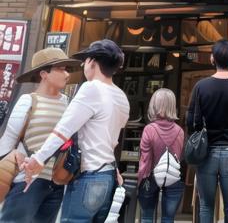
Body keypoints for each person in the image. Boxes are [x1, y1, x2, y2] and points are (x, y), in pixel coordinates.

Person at [22, 39, 130, 223]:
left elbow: (63, 129)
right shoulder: (121, 97)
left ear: (93, 62)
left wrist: (39, 158)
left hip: (89, 176)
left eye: (85, 60)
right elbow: (111, 140)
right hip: (109, 176)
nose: (83, 64)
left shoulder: (91, 88)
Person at [0, 47, 79, 223]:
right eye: (61, 69)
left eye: (67, 69)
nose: (67, 74)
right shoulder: (28, 101)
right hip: (26, 182)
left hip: (56, 183)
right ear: (44, 74)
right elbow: (8, 141)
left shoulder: (68, 103)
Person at [186, 39, 228, 223]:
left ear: (212, 59)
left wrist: (198, 138)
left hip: (206, 153)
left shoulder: (201, 87)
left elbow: (192, 120)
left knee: (206, 206)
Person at [137, 88, 184, 223]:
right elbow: (179, 156)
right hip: (173, 177)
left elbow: (145, 160)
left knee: (146, 216)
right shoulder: (180, 131)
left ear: (154, 105)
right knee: (168, 218)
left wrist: (141, 181)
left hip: (149, 177)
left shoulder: (149, 129)